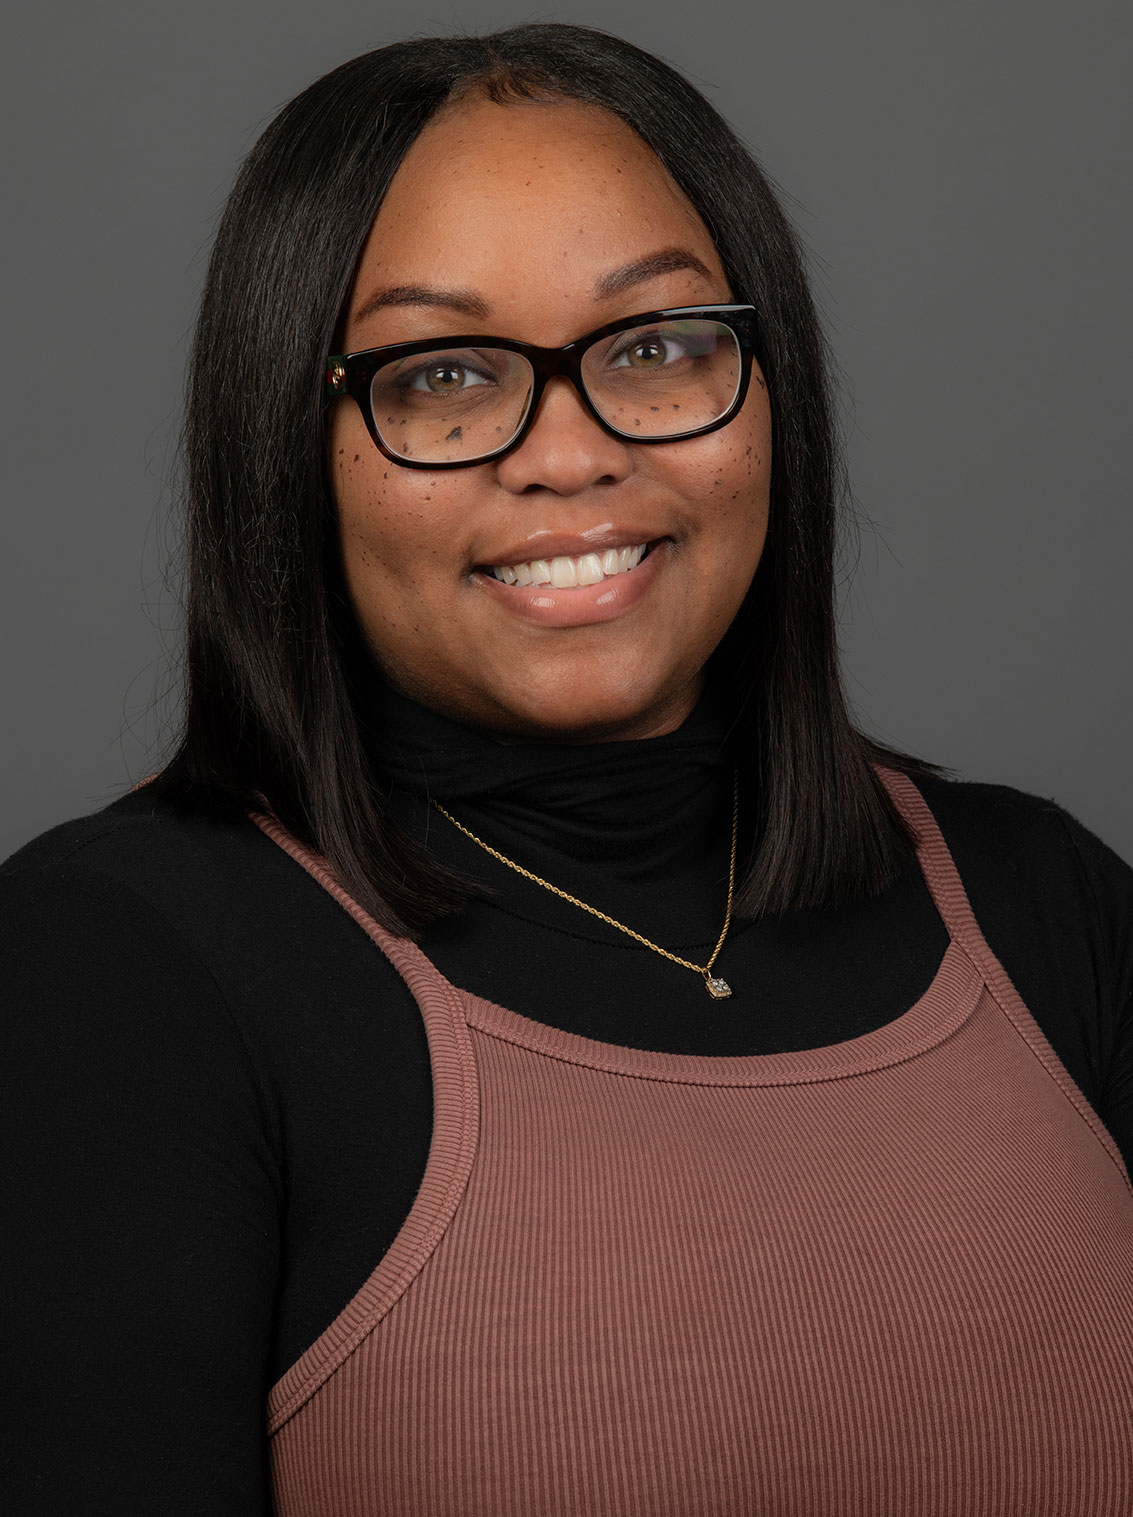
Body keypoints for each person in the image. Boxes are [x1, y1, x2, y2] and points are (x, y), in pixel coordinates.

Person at [2, 22, 1131, 1516]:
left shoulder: (1036, 895)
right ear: (288, 442)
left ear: (769, 386)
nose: (570, 451)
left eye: (658, 347)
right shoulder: (121, 964)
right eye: (443, 373)